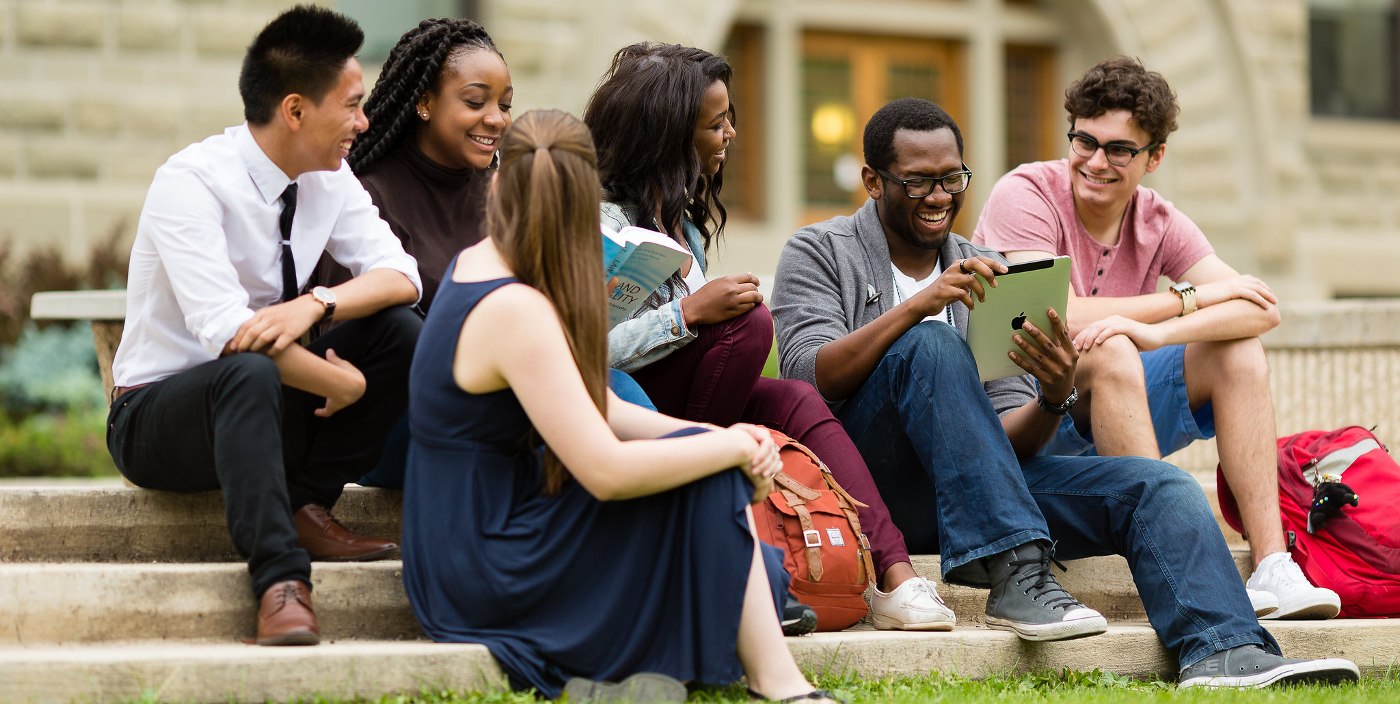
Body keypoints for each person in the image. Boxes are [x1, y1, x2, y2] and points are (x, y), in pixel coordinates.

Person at [772, 97, 1360, 687]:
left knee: (1157, 485)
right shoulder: (819, 251)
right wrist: (921, 308)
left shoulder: (985, 267)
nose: (940, 196)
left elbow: (1002, 438)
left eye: (952, 179)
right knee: (930, 345)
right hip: (871, 491)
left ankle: (1223, 650)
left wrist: (1052, 399)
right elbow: (809, 380)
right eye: (918, 181)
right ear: (874, 181)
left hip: (975, 494)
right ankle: (1019, 576)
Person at [401, 108, 841, 703]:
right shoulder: (515, 309)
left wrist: (719, 441)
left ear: (501, 183)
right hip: (486, 560)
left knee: (711, 483)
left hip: (478, 528)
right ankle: (781, 684)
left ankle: (763, 667)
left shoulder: (484, 262)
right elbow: (605, 472)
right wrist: (728, 448)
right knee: (715, 499)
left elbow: (600, 407)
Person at [584, 42, 954, 633]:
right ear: (670, 134)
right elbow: (576, 353)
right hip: (621, 411)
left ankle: (896, 575)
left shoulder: (679, 219)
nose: (730, 133)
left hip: (690, 401)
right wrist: (689, 313)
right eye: (716, 122)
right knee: (748, 326)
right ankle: (698, 509)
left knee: (794, 398)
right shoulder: (596, 220)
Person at [973, 56, 1340, 620]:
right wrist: (1178, 303)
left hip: (1115, 407)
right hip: (1025, 422)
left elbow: (1259, 309)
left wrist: (1156, 331)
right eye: (1084, 142)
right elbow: (1056, 318)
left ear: (1155, 157)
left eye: (1119, 149)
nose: (1095, 162)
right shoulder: (1026, 192)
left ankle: (1273, 565)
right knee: (1112, 346)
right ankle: (1183, 566)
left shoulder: (1159, 219)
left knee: (1235, 349)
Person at [105, 5, 422, 646]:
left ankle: (306, 502)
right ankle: (281, 582)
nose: (364, 123)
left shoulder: (329, 179)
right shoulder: (190, 182)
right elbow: (227, 333)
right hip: (158, 416)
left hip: (266, 399)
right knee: (245, 370)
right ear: (296, 110)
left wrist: (318, 305)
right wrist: (343, 386)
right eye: (353, 106)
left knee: (401, 331)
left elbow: (402, 274)